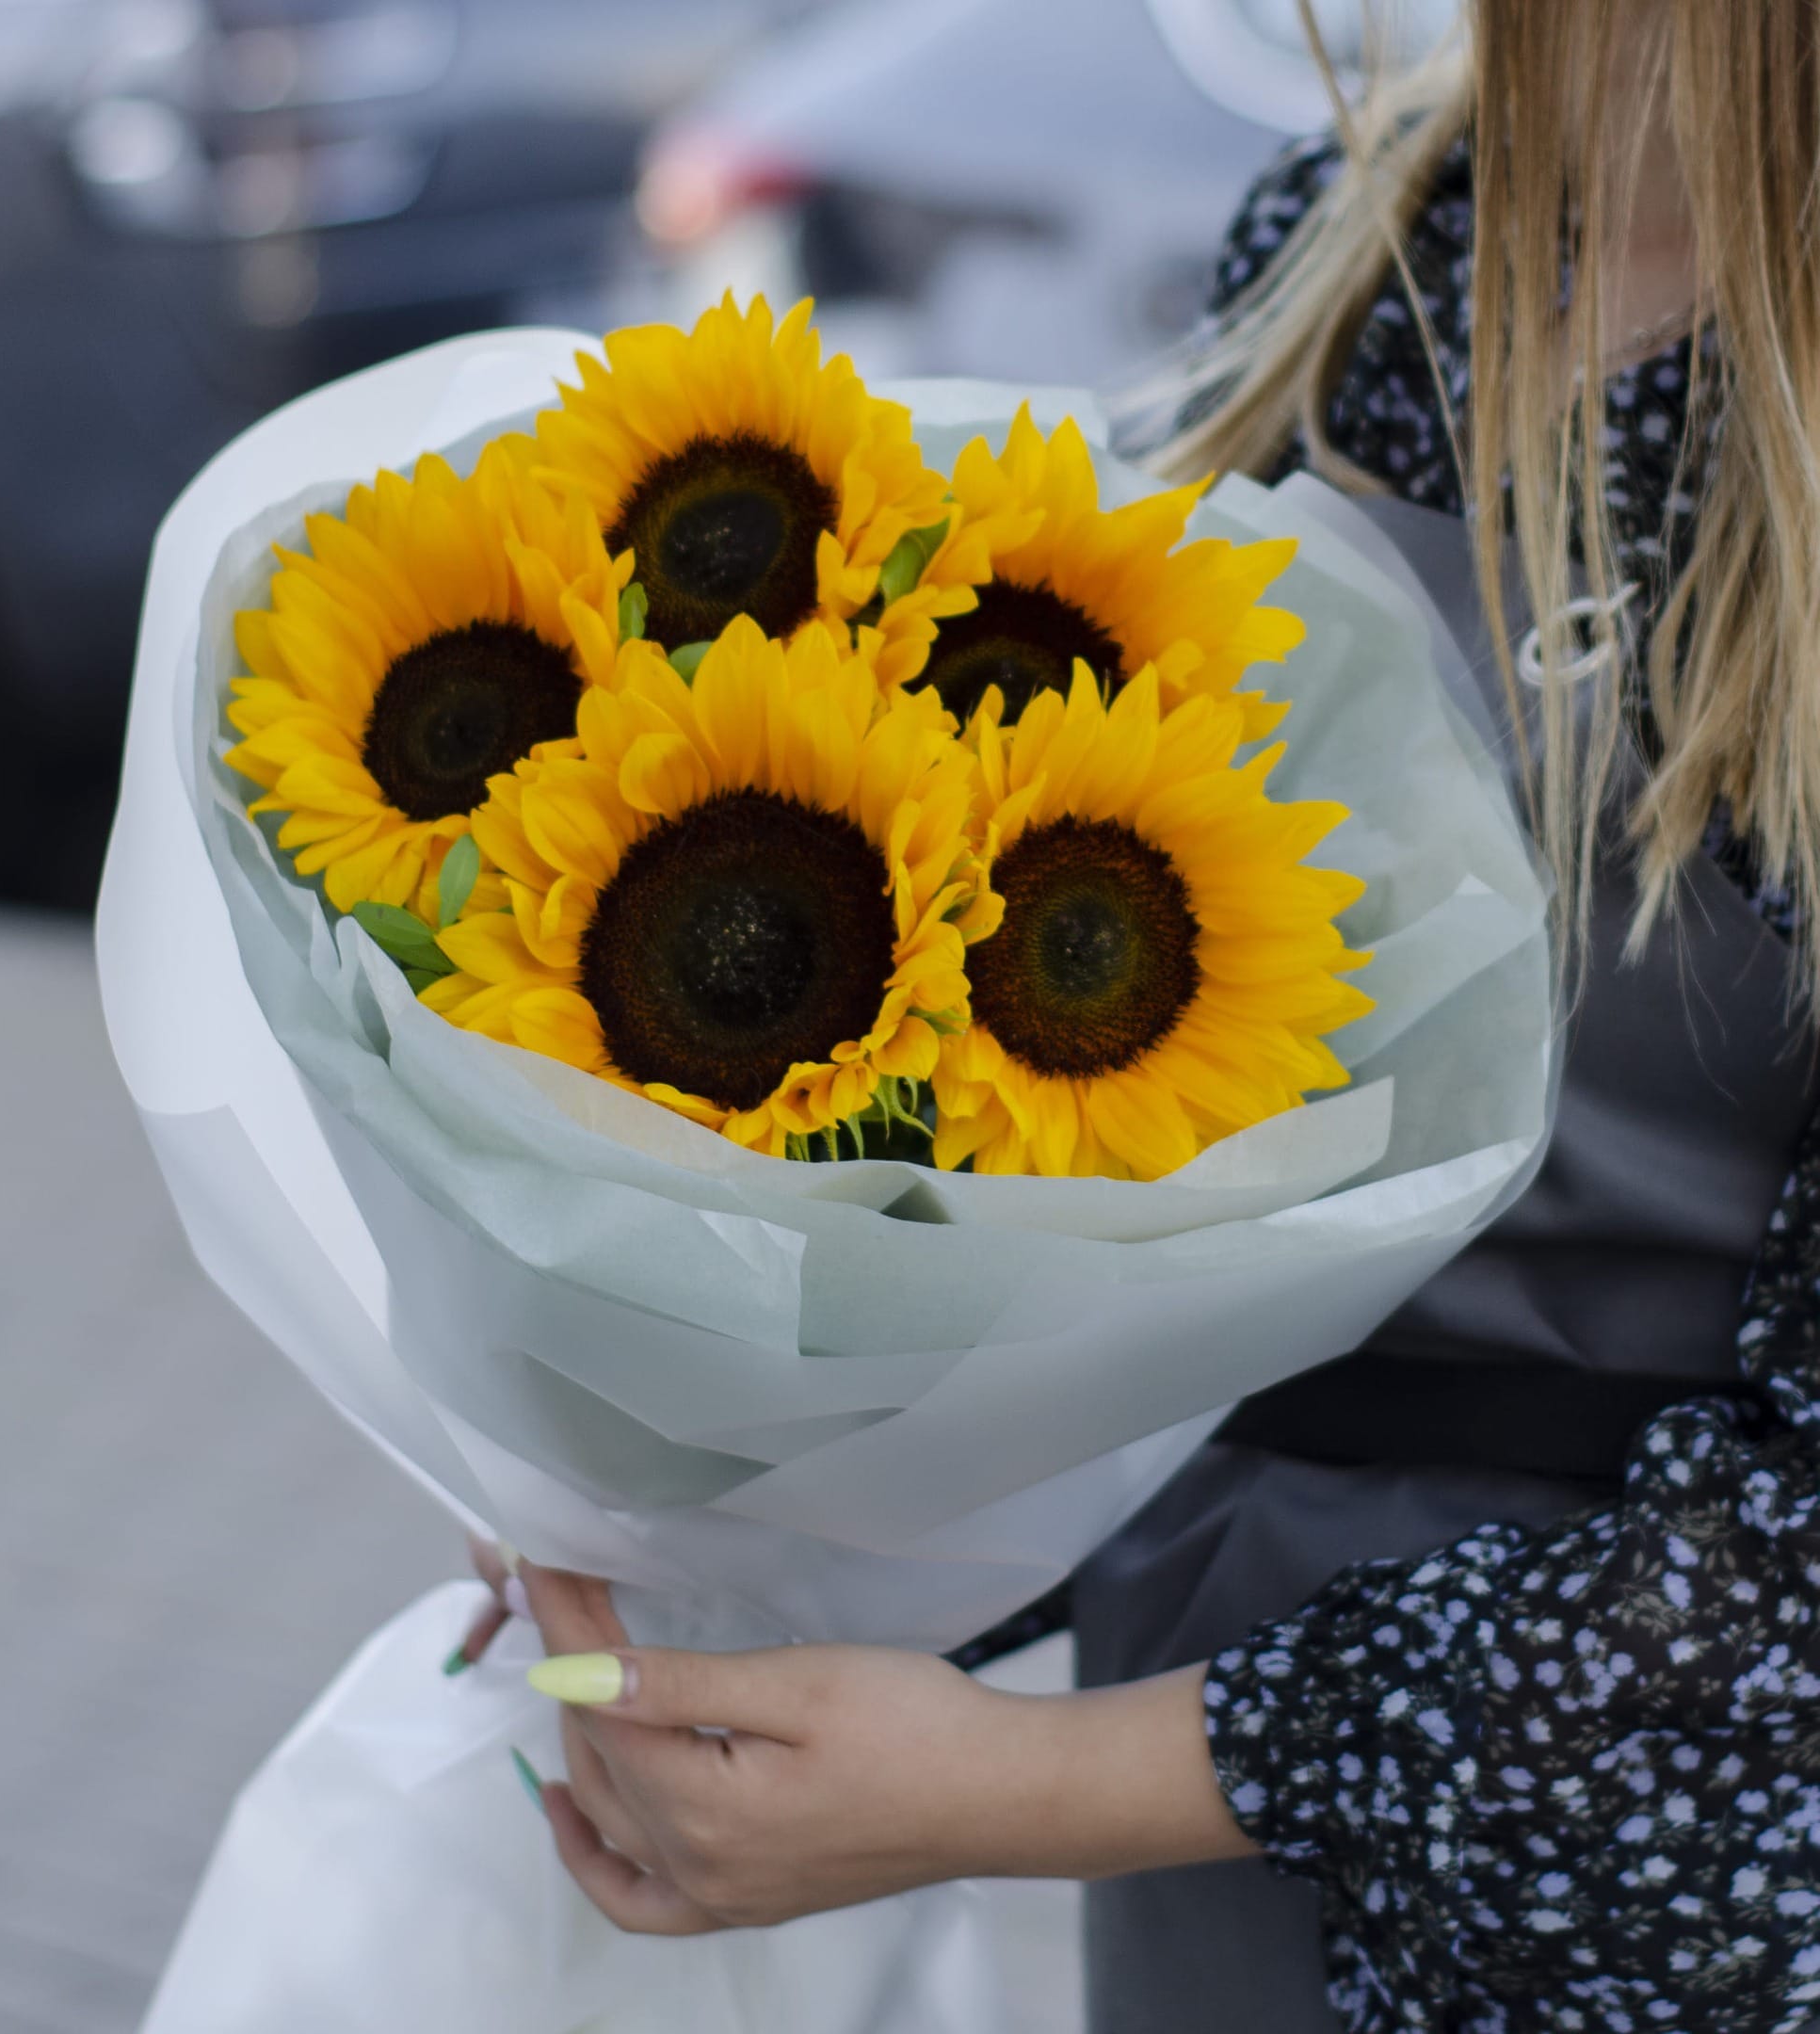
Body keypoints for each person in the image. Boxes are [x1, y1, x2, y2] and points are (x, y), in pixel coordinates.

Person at [461, 4, 1820, 2026]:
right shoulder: (1362, 247)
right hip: (1214, 1807)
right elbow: (1133, 1144)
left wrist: (1008, 1789)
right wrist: (744, 1510)